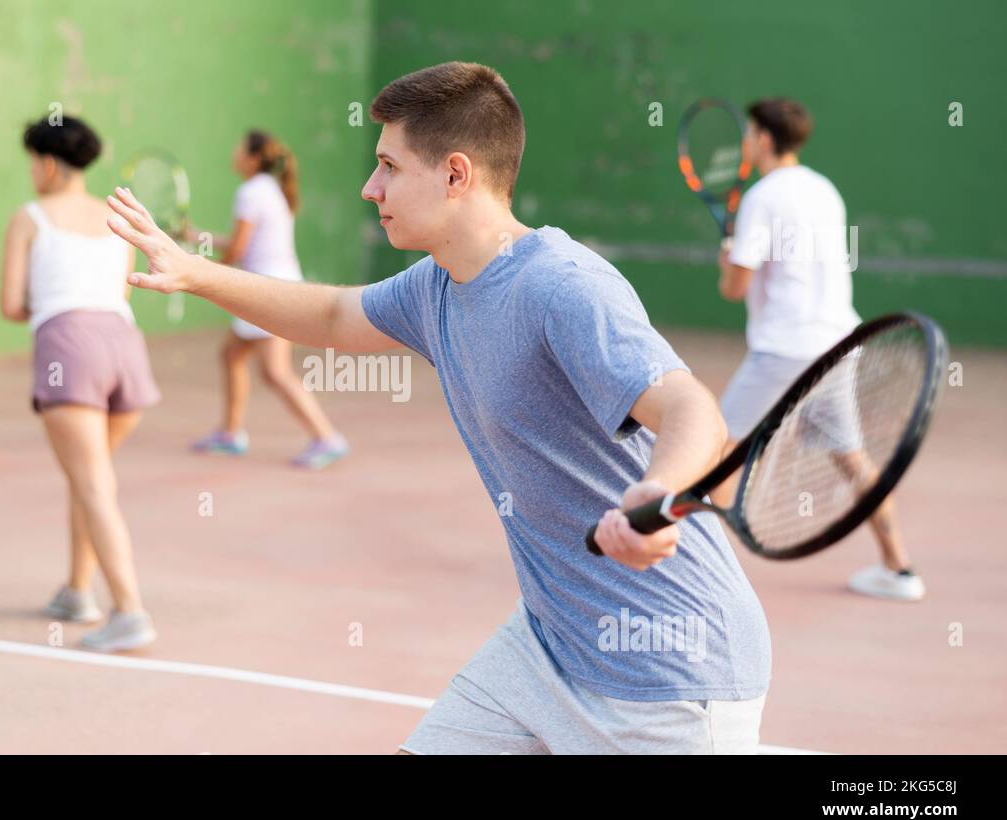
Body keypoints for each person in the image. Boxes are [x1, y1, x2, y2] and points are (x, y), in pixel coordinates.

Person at [108, 61, 771, 754]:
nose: (371, 188)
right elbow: (334, 315)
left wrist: (659, 492)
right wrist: (194, 271)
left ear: (456, 175)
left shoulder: (563, 287)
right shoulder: (438, 285)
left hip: (668, 670)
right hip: (549, 644)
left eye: (389, 166)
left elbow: (694, 408)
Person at [715, 98, 926, 601]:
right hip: (838, 346)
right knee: (853, 460)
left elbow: (735, 287)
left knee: (713, 453)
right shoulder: (824, 190)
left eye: (749, 132)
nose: (745, 141)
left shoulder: (762, 197)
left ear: (765, 139)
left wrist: (726, 258)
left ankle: (698, 578)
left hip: (785, 349)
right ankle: (900, 571)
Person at [0, 114, 161, 652]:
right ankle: (76, 591)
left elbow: (10, 305)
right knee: (90, 477)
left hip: (69, 348)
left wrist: (47, 304)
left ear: (46, 164)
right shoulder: (116, 217)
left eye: (31, 162)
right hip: (124, 347)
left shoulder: (29, 217)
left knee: (93, 485)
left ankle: (130, 612)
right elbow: (123, 292)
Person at [186, 129, 349, 469]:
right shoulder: (270, 189)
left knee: (275, 371)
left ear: (253, 158)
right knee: (232, 355)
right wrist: (194, 236)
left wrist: (201, 272)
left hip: (268, 292)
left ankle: (326, 437)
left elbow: (237, 249)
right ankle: (230, 434)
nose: (233, 153)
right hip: (274, 286)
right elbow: (241, 242)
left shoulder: (250, 192)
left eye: (239, 148)